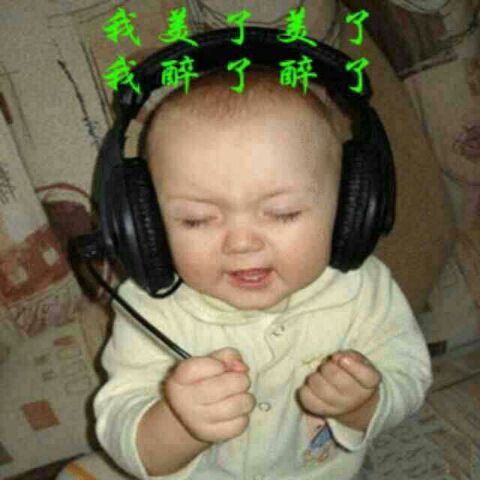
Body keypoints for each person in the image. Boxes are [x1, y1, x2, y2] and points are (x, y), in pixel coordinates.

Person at [93, 68, 432, 480]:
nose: (241, 243)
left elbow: (409, 374)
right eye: (196, 219)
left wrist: (364, 404)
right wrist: (179, 424)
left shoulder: (363, 290)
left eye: (282, 213)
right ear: (142, 223)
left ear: (351, 210)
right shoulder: (150, 309)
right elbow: (121, 426)